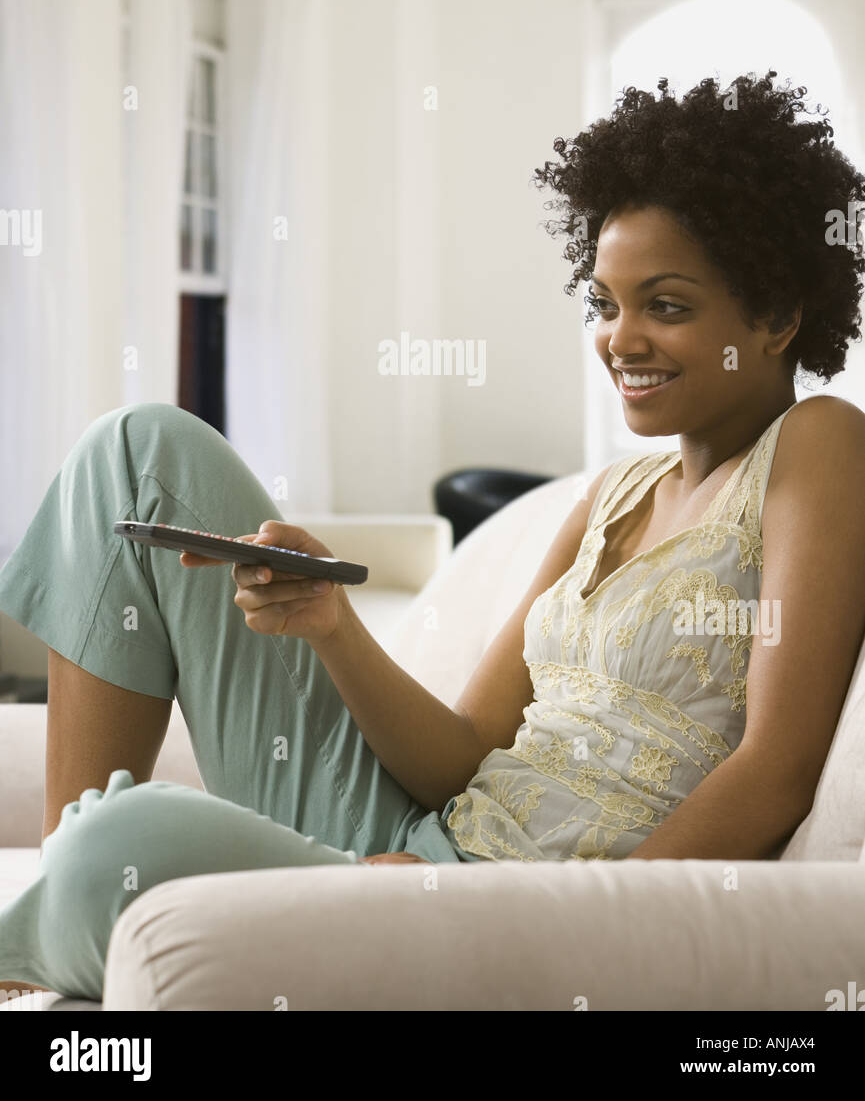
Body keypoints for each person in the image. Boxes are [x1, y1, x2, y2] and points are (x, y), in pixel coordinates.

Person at [2, 70, 865, 1003]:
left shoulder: (816, 446)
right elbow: (461, 753)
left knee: (117, 850)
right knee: (136, 449)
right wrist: (330, 622)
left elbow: (774, 769)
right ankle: (67, 917)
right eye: (604, 304)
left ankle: (62, 916)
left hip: (505, 912)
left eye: (665, 306)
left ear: (776, 318)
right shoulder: (611, 496)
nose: (621, 339)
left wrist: (548, 922)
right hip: (413, 835)